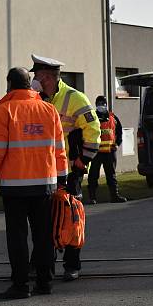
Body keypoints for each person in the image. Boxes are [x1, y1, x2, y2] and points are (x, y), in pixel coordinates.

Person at [0, 68, 67, 298]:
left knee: (17, 237)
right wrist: (62, 177)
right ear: (31, 84)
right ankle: (44, 283)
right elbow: (59, 149)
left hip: (14, 187)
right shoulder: (49, 110)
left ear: (9, 84)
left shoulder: (4, 110)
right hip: (45, 184)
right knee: (43, 236)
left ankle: (20, 285)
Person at [30, 54, 101, 280]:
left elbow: (93, 130)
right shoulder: (35, 99)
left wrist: (84, 160)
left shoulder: (74, 98)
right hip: (43, 172)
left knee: (70, 218)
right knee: (43, 220)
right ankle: (42, 265)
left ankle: (72, 264)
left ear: (49, 78)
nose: (35, 80)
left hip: (69, 171)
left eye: (38, 76)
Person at [87, 95, 127, 204]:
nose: (101, 106)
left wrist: (117, 144)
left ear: (106, 104)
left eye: (103, 103)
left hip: (110, 152)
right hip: (96, 153)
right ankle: (92, 197)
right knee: (93, 176)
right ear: (96, 105)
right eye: (99, 103)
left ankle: (115, 196)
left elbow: (119, 132)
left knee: (111, 175)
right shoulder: (92, 117)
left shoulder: (113, 117)